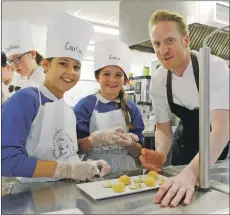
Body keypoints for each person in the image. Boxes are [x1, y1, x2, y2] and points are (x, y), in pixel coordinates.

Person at [2, 12, 111, 183]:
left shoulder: (67, 111)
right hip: (33, 197)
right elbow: (6, 161)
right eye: (63, 63)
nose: (70, 72)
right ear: (45, 64)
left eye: (76, 66)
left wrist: (89, 160)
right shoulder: (26, 99)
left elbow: (64, 152)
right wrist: (66, 170)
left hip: (66, 194)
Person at [140, 10, 229, 207]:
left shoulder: (214, 67)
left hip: (215, 152)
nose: (163, 51)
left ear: (186, 40)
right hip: (182, 149)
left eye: (170, 40)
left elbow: (222, 129)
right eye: (157, 44)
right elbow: (163, 128)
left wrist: (191, 173)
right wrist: (161, 154)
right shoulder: (159, 79)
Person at [74, 38, 145, 173]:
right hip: (95, 170)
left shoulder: (131, 108)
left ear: (125, 80)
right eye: (106, 74)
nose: (112, 79)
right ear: (97, 77)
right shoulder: (85, 106)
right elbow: (75, 148)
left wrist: (130, 144)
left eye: (118, 75)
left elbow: (138, 152)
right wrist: (95, 139)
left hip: (126, 173)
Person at [2, 19, 45, 93]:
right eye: (10, 61)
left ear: (33, 53)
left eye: (17, 58)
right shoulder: (20, 79)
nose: (14, 66)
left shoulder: (44, 84)